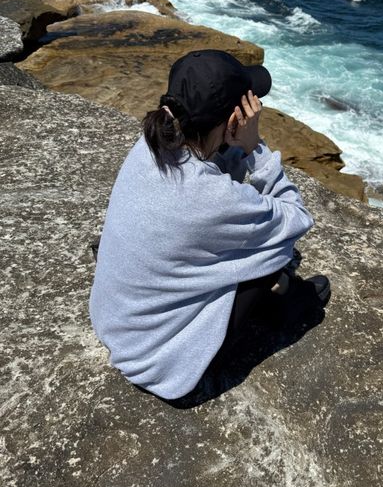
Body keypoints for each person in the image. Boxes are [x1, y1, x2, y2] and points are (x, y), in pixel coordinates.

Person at [89, 49, 330, 401]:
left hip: (116, 319)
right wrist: (254, 148)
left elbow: (209, 168)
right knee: (273, 252)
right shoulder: (211, 196)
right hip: (158, 360)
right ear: (233, 120)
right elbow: (296, 219)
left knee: (241, 239)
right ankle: (287, 309)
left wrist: (232, 146)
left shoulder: (151, 142)